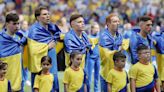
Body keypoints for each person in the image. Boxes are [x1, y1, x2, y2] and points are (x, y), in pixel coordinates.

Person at [28, 6, 61, 92]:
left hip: (52, 62)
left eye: (48, 14)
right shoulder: (34, 31)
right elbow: (33, 51)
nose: (48, 16)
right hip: (40, 66)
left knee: (54, 84)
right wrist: (47, 47)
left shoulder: (52, 28)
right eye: (45, 14)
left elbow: (59, 36)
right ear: (38, 17)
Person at [99, 13, 129, 92]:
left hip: (119, 73)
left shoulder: (120, 36)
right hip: (107, 73)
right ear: (108, 24)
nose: (118, 23)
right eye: (115, 21)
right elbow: (107, 55)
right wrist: (120, 48)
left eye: (118, 21)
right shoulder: (103, 37)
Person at [0, 12, 26, 91]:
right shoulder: (1, 39)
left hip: (19, 82)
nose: (17, 26)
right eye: (14, 24)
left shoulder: (20, 38)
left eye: (18, 23)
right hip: (4, 82)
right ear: (7, 24)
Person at [86, 22, 100, 92]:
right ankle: (88, 90)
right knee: (89, 76)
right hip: (90, 58)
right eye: (96, 28)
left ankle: (96, 90)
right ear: (92, 29)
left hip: (98, 58)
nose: (97, 30)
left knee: (97, 76)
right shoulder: (88, 37)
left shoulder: (100, 37)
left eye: (98, 28)